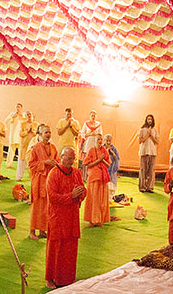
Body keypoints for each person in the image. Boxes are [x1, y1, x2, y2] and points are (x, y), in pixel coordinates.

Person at [45, 147, 85, 289]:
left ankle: (68, 278)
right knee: (55, 248)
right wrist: (71, 196)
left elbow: (83, 190)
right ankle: (51, 278)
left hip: (72, 218)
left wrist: (80, 194)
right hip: (57, 218)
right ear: (62, 157)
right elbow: (52, 197)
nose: (71, 161)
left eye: (73, 159)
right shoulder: (53, 174)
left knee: (70, 249)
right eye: (69, 158)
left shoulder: (77, 173)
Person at [27, 124, 57, 240]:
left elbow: (57, 161)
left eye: (49, 132)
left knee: (46, 207)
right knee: (37, 206)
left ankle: (42, 230)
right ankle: (32, 231)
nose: (48, 134)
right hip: (39, 180)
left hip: (49, 180)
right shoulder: (35, 148)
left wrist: (55, 164)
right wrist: (44, 163)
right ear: (40, 134)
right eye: (46, 132)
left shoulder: (53, 147)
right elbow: (31, 164)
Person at [82, 136, 114, 226]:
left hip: (103, 177)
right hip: (94, 176)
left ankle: (100, 219)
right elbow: (88, 165)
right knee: (93, 198)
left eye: (101, 139)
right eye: (98, 139)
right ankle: (92, 219)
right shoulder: (91, 150)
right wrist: (98, 160)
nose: (100, 141)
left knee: (102, 199)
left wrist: (102, 160)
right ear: (95, 140)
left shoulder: (104, 151)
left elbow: (108, 165)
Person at [136, 114, 159, 192]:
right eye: (148, 119)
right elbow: (140, 140)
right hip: (144, 152)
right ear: (146, 120)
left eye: (151, 119)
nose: (149, 121)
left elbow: (157, 142)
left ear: (153, 121)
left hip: (152, 152)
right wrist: (147, 134)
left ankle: (149, 187)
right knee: (143, 170)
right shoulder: (142, 129)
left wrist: (151, 135)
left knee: (151, 170)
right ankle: (142, 187)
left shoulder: (155, 130)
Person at [15, 111, 36, 181]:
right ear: (25, 116)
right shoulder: (22, 124)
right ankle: (19, 177)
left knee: (33, 162)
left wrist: (32, 131)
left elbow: (38, 134)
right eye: (27, 114)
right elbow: (20, 134)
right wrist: (27, 131)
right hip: (24, 145)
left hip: (33, 146)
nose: (29, 116)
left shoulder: (36, 124)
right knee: (21, 161)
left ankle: (33, 177)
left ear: (33, 116)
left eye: (30, 114)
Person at [4, 103, 26, 168]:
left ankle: (21, 164)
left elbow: (27, 120)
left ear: (21, 108)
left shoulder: (24, 115)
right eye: (16, 107)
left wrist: (21, 115)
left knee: (20, 150)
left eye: (19, 107)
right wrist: (12, 117)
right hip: (13, 135)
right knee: (11, 150)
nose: (17, 108)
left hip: (20, 136)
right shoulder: (12, 114)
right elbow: (5, 121)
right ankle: (9, 163)